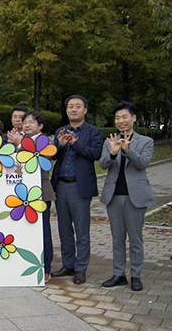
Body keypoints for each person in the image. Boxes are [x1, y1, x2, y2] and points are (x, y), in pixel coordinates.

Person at [99, 101, 155, 292]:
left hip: (135, 197)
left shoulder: (146, 141)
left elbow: (142, 163)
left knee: (135, 239)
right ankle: (119, 274)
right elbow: (103, 164)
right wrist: (113, 153)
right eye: (117, 118)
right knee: (117, 238)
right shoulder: (110, 140)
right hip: (114, 196)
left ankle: (136, 275)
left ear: (133, 118)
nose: (121, 121)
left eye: (124, 117)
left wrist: (127, 150)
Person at [50, 95, 103, 285]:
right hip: (61, 185)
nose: (73, 109)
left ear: (85, 110)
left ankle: (81, 269)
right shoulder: (60, 131)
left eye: (78, 106)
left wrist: (75, 143)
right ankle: (68, 264)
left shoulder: (94, 132)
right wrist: (61, 145)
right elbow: (53, 156)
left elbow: (95, 154)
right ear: (66, 110)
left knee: (81, 230)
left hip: (79, 187)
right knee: (64, 229)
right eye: (70, 107)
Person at [21, 111, 55, 281]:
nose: (27, 125)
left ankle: (46, 267)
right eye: (25, 122)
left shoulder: (45, 141)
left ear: (40, 126)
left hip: (41, 192)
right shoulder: (20, 140)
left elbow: (43, 159)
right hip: (23, 195)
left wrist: (20, 144)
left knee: (43, 231)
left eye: (31, 122)